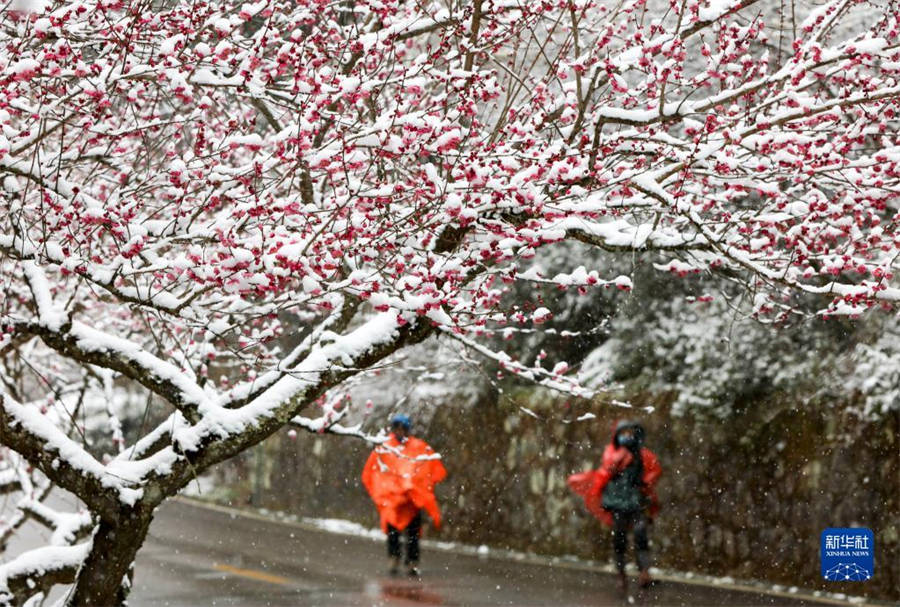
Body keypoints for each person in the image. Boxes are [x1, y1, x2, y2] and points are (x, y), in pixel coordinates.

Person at [567, 420, 662, 592]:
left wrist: (644, 483)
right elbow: (606, 471)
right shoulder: (613, 453)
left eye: (630, 434)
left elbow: (654, 469)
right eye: (624, 433)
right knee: (620, 537)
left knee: (641, 534)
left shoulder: (642, 454)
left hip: (637, 501)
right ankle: (621, 574)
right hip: (618, 502)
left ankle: (644, 572)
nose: (627, 437)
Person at [361, 414, 447, 576]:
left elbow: (431, 469)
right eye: (397, 428)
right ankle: (394, 558)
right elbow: (374, 472)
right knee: (393, 532)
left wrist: (417, 486)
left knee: (413, 533)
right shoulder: (385, 448)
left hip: (412, 501)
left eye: (403, 428)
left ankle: (412, 562)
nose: (400, 431)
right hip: (392, 500)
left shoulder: (418, 447)